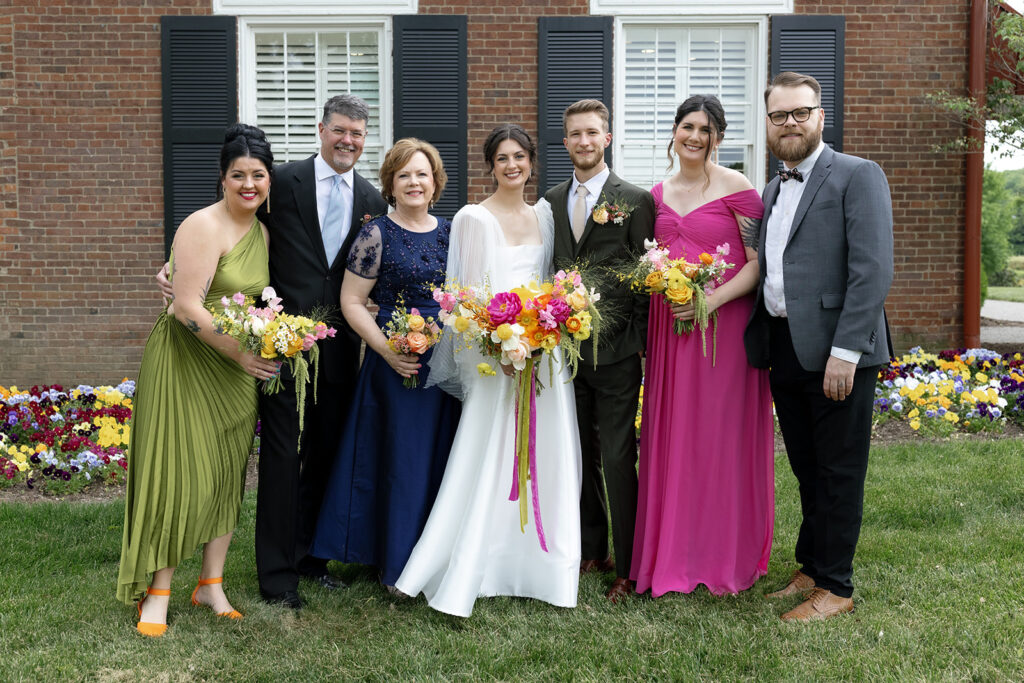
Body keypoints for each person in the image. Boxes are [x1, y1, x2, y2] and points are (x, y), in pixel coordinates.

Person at [156, 94, 389, 610]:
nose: (347, 140)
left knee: (326, 451)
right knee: (283, 454)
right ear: (321, 129)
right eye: (339, 130)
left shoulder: (373, 198)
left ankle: (311, 558)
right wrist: (172, 270)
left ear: (364, 139)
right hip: (278, 342)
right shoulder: (277, 182)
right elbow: (224, 223)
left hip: (342, 343)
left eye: (357, 133)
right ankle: (278, 575)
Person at [394, 124, 582, 617]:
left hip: (545, 351)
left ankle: (543, 566)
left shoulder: (545, 213)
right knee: (488, 454)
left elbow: (549, 281)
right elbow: (466, 297)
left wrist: (544, 330)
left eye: (520, 157)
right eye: (502, 158)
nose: (512, 166)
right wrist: (500, 343)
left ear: (532, 162)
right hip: (495, 353)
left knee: (547, 451)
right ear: (490, 165)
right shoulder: (472, 218)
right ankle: (478, 561)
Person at [119, 124, 280, 637]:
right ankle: (158, 591)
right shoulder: (201, 225)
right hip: (187, 361)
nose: (249, 184)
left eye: (258, 175)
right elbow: (186, 306)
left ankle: (211, 583)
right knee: (178, 471)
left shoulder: (264, 231)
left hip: (235, 368)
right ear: (223, 177)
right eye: (239, 175)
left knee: (225, 472)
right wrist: (244, 353)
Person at [744, 72, 894, 622]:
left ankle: (836, 586)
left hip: (837, 351)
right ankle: (810, 566)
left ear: (820, 116)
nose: (789, 123)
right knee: (807, 465)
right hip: (784, 345)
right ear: (767, 122)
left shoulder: (857, 175)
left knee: (839, 469)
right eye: (779, 115)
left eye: (800, 113)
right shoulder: (771, 186)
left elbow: (872, 271)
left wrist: (847, 351)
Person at [629, 95, 774, 597]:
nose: (694, 136)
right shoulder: (654, 195)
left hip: (724, 332)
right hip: (670, 335)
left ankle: (722, 554)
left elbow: (757, 264)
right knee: (674, 439)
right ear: (674, 131)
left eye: (705, 130)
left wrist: (711, 300)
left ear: (719, 138)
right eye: (687, 126)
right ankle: (671, 552)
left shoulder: (739, 189)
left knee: (717, 438)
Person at [309, 139, 460, 592]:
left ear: (435, 182)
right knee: (400, 461)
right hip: (396, 365)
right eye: (404, 175)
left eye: (422, 174)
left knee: (442, 457)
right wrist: (386, 350)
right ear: (391, 184)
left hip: (447, 366)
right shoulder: (376, 234)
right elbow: (352, 301)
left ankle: (438, 556)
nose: (414, 182)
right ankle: (393, 563)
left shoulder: (454, 231)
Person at [543, 100, 654, 602]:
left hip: (616, 354)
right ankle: (592, 548)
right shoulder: (549, 200)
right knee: (578, 454)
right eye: (574, 135)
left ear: (607, 138)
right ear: (564, 142)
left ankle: (629, 567)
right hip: (565, 353)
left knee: (615, 455)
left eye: (592, 133)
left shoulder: (632, 199)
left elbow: (645, 275)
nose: (583, 142)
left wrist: (635, 344)